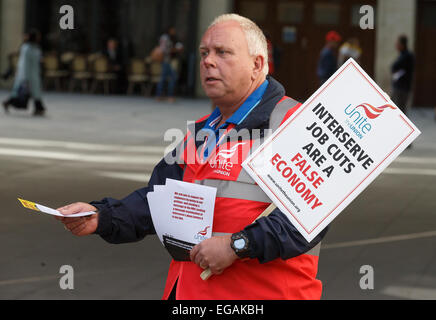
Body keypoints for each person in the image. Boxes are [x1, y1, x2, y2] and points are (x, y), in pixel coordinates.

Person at [55, 14, 327, 300]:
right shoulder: (203, 130)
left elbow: (309, 219)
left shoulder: (295, 125)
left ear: (257, 64)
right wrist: (101, 216)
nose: (208, 61)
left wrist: (238, 245)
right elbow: (157, 199)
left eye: (222, 52)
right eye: (204, 53)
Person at [2, 30, 46, 116]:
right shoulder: (27, 48)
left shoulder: (35, 47)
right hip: (27, 75)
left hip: (34, 74)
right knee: (24, 92)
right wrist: (25, 77)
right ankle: (39, 108)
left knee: (33, 93)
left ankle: (38, 108)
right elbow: (24, 64)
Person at [155, 27, 183, 102]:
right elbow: (165, 50)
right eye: (172, 30)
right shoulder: (165, 38)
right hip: (166, 60)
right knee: (170, 77)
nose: (174, 31)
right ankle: (166, 95)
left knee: (166, 78)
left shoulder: (172, 38)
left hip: (168, 61)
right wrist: (175, 49)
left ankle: (161, 95)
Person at [391, 35, 414, 116]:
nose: (396, 45)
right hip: (399, 87)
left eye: (398, 43)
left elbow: (395, 67)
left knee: (400, 112)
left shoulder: (407, 56)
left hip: (402, 89)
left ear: (402, 45)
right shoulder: (402, 55)